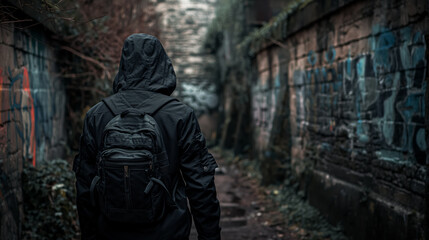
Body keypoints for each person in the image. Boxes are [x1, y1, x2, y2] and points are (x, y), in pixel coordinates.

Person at [73, 33, 221, 240]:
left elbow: (85, 185)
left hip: (111, 230)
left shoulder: (98, 114)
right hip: (169, 230)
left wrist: (89, 234)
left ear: (123, 66)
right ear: (163, 65)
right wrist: (210, 236)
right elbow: (200, 185)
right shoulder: (180, 115)